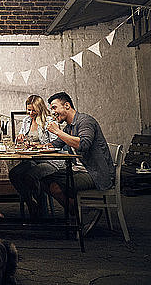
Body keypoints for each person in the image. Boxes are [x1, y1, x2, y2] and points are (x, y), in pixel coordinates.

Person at [42, 92, 115, 234]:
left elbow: (83, 144)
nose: (53, 112)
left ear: (67, 106)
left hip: (96, 173)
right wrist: (31, 145)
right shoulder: (69, 127)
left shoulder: (85, 121)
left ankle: (84, 213)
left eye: (55, 108)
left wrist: (57, 131)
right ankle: (81, 212)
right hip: (80, 170)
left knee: (55, 185)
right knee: (44, 180)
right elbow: (55, 144)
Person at [8, 95, 60, 217]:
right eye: (28, 110)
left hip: (50, 161)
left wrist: (38, 146)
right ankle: (31, 204)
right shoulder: (26, 120)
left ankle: (41, 208)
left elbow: (56, 144)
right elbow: (21, 138)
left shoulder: (49, 121)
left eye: (33, 110)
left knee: (31, 175)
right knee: (14, 174)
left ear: (40, 108)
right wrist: (20, 139)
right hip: (33, 159)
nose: (30, 113)